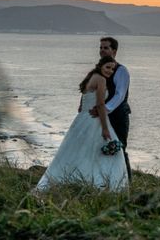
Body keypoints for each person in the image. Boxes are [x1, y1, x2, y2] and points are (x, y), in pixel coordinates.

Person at [36, 56, 128, 191]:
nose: (110, 71)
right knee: (106, 155)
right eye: (108, 67)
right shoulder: (101, 79)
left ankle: (76, 181)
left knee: (80, 153)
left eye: (113, 69)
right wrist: (105, 128)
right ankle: (101, 185)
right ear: (100, 65)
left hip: (82, 119)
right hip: (94, 121)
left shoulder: (91, 77)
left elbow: (84, 100)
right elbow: (101, 105)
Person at [89, 37, 132, 183]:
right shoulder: (98, 71)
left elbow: (120, 94)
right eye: (100, 48)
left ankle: (127, 183)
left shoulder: (121, 71)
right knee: (100, 148)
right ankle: (104, 181)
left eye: (105, 48)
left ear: (114, 51)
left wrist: (104, 109)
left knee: (119, 148)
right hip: (101, 116)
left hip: (118, 115)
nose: (102, 50)